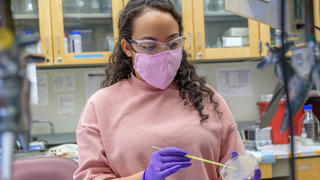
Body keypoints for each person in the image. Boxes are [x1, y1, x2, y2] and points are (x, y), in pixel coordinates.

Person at [73, 0, 261, 180]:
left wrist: (241, 176)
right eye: (150, 46)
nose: (163, 54)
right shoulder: (100, 106)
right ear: (127, 47)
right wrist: (144, 177)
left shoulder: (206, 98)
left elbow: (233, 167)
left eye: (172, 44)